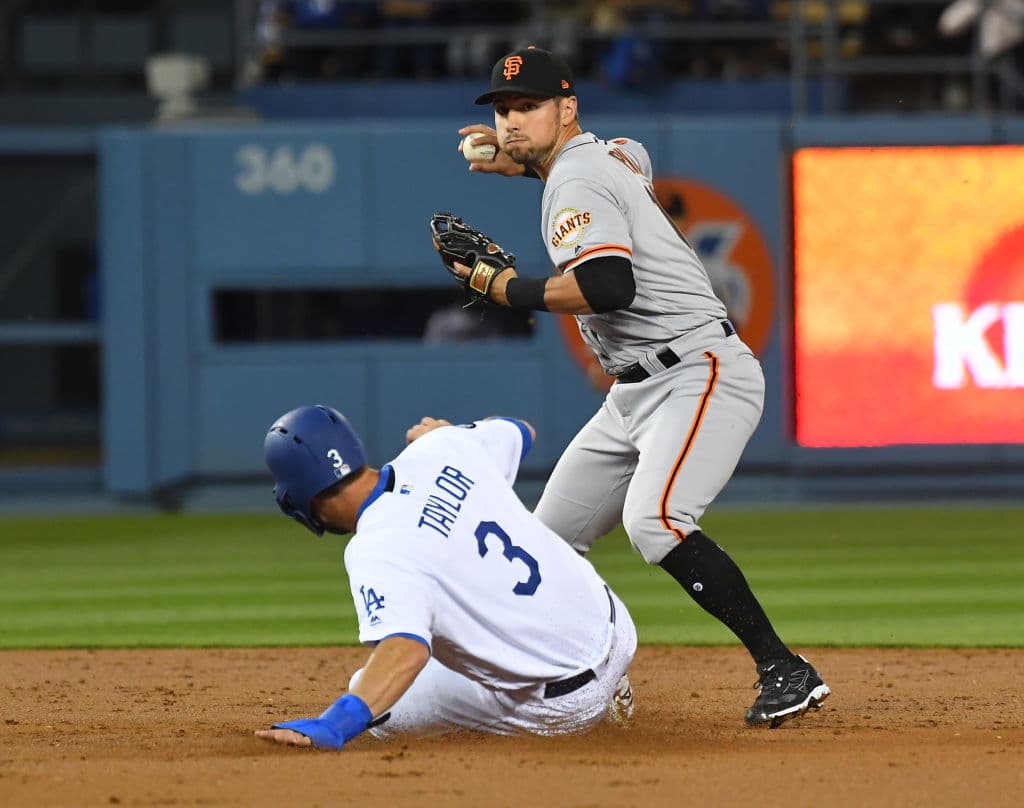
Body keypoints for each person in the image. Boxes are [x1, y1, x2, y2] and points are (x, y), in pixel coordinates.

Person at [448, 46, 830, 728]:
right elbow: (633, 155)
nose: (510, 120)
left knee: (655, 522)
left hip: (698, 370)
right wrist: (513, 158)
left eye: (527, 107)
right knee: (545, 546)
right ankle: (597, 673)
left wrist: (501, 287)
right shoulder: (603, 156)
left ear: (567, 109)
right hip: (634, 392)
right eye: (503, 110)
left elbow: (606, 286)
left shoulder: (575, 182)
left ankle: (784, 667)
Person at [256, 405, 637, 749]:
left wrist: (334, 725)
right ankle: (608, 676)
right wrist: (448, 431)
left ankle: (568, 711)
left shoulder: (376, 547)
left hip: (563, 706)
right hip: (617, 628)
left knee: (375, 698)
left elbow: (406, 650)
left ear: (302, 495)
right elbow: (521, 430)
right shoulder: (441, 447)